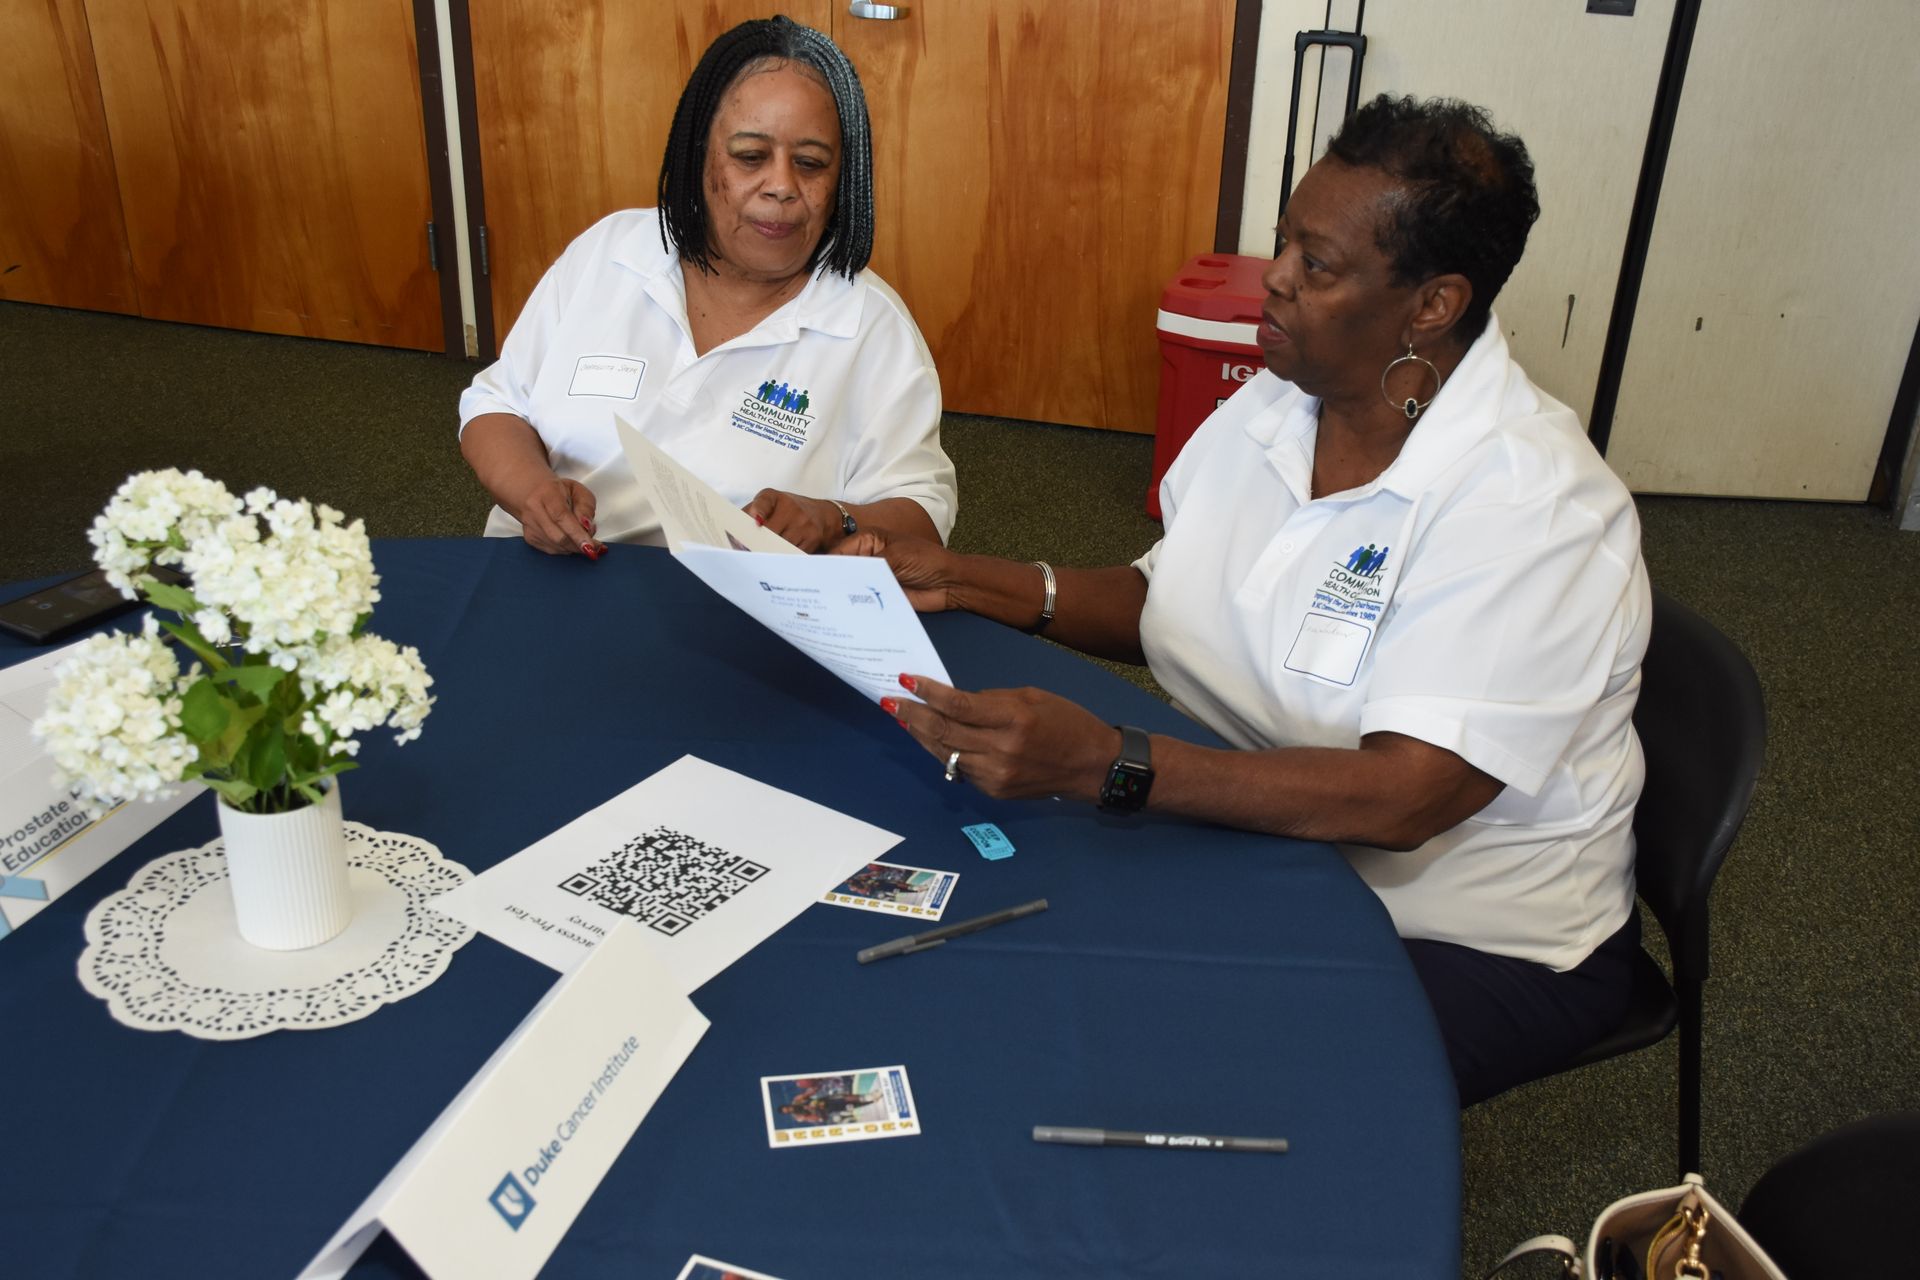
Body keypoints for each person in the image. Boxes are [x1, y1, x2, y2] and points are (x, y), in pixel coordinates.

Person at [846, 95, 1652, 1107]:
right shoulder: (1291, 390)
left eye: (1315, 265)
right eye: (1283, 241)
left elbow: (1406, 798)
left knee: (1159, 1077)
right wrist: (965, 577)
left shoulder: (1536, 508)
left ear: (1432, 305)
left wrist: (1112, 762)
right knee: (1003, 964)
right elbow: (1167, 596)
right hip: (1256, 830)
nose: (1273, 276)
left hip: (1462, 931)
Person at [458, 16, 956, 558]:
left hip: (736, 607)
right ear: (698, 158)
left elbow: (922, 511)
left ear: (843, 180)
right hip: (550, 572)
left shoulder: (869, 322)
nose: (783, 187)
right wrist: (533, 491)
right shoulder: (613, 251)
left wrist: (834, 519)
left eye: (811, 164)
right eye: (750, 157)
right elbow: (497, 404)